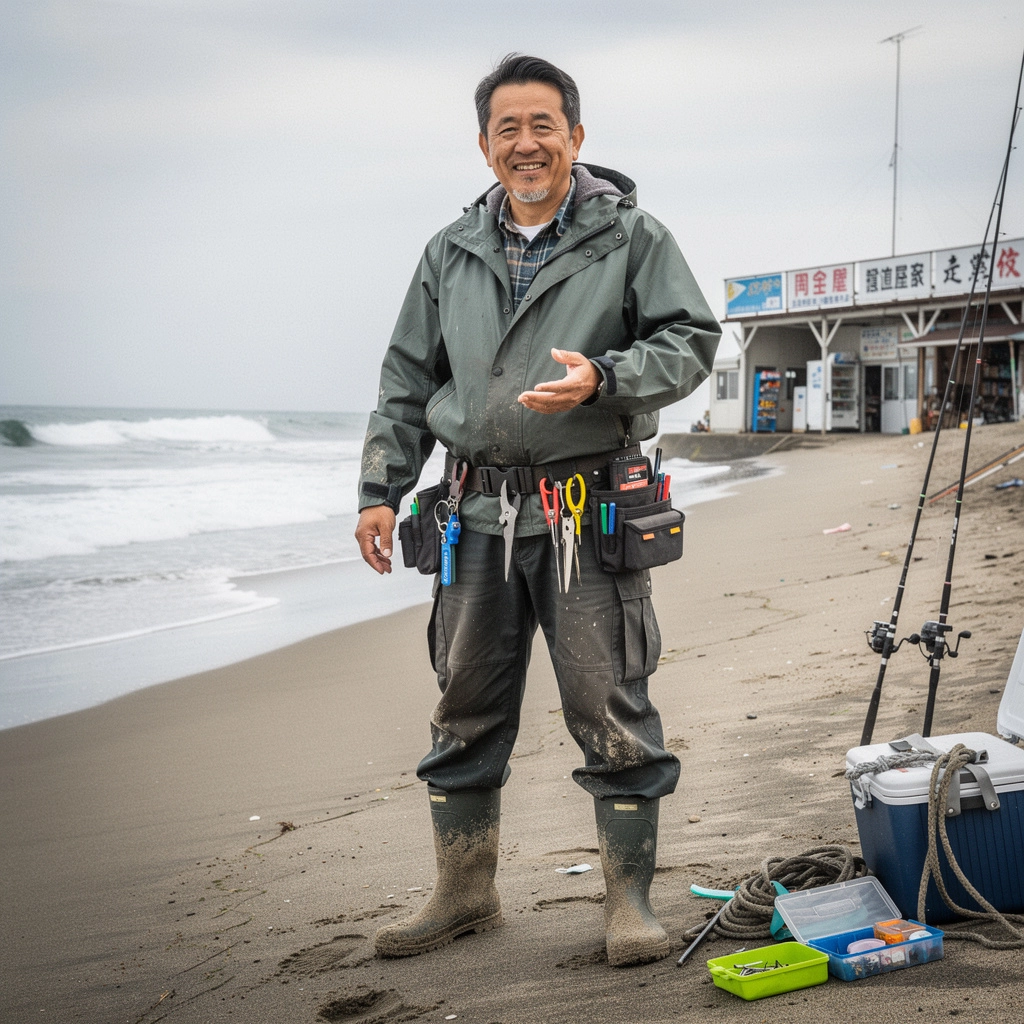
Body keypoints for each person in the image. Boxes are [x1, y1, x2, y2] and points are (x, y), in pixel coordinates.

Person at [355, 53, 720, 966]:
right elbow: (408, 379)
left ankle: (627, 902)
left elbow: (692, 341)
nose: (526, 145)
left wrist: (607, 377)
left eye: (542, 127)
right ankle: (463, 893)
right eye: (507, 129)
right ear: (485, 146)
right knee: (464, 705)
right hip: (472, 517)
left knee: (610, 703)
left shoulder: (632, 238)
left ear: (576, 138)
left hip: (587, 516)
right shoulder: (448, 251)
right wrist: (378, 489)